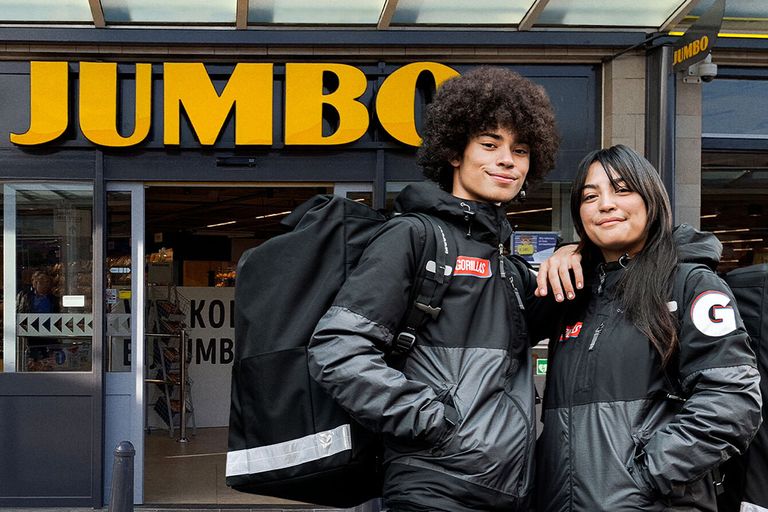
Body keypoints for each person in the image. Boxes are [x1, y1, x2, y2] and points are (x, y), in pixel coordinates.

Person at [307, 66, 562, 511]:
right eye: (489, 144)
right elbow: (337, 349)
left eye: (519, 150)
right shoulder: (414, 236)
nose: (507, 160)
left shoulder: (505, 262)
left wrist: (580, 252)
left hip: (510, 490)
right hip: (435, 487)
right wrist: (436, 423)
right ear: (454, 153)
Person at [534, 144, 762, 511]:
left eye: (622, 190)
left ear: (651, 198)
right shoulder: (573, 292)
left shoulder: (691, 284)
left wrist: (645, 476)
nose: (605, 204)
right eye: (590, 196)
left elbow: (733, 403)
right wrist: (566, 250)